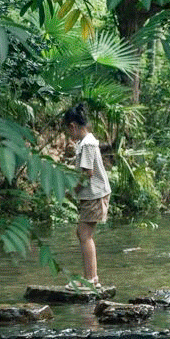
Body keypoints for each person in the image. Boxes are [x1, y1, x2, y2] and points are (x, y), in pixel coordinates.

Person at [63, 104, 110, 288]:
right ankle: (91, 278)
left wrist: (72, 190)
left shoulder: (87, 144)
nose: (69, 134)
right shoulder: (85, 142)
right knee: (83, 233)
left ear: (73, 126)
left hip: (95, 195)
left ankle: (90, 280)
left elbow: (87, 173)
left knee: (84, 234)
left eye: (68, 130)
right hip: (92, 195)